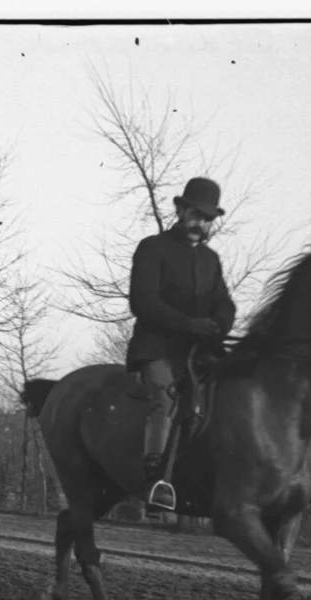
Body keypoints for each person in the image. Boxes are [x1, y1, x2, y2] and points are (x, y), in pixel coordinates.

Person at [126, 177, 236, 510]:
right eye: (196, 215)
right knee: (166, 396)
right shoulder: (152, 248)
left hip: (199, 349)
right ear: (180, 211)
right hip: (156, 345)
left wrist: (220, 324)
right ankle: (156, 481)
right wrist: (190, 324)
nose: (200, 223)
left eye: (207, 218)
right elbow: (143, 301)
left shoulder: (211, 259)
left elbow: (224, 302)